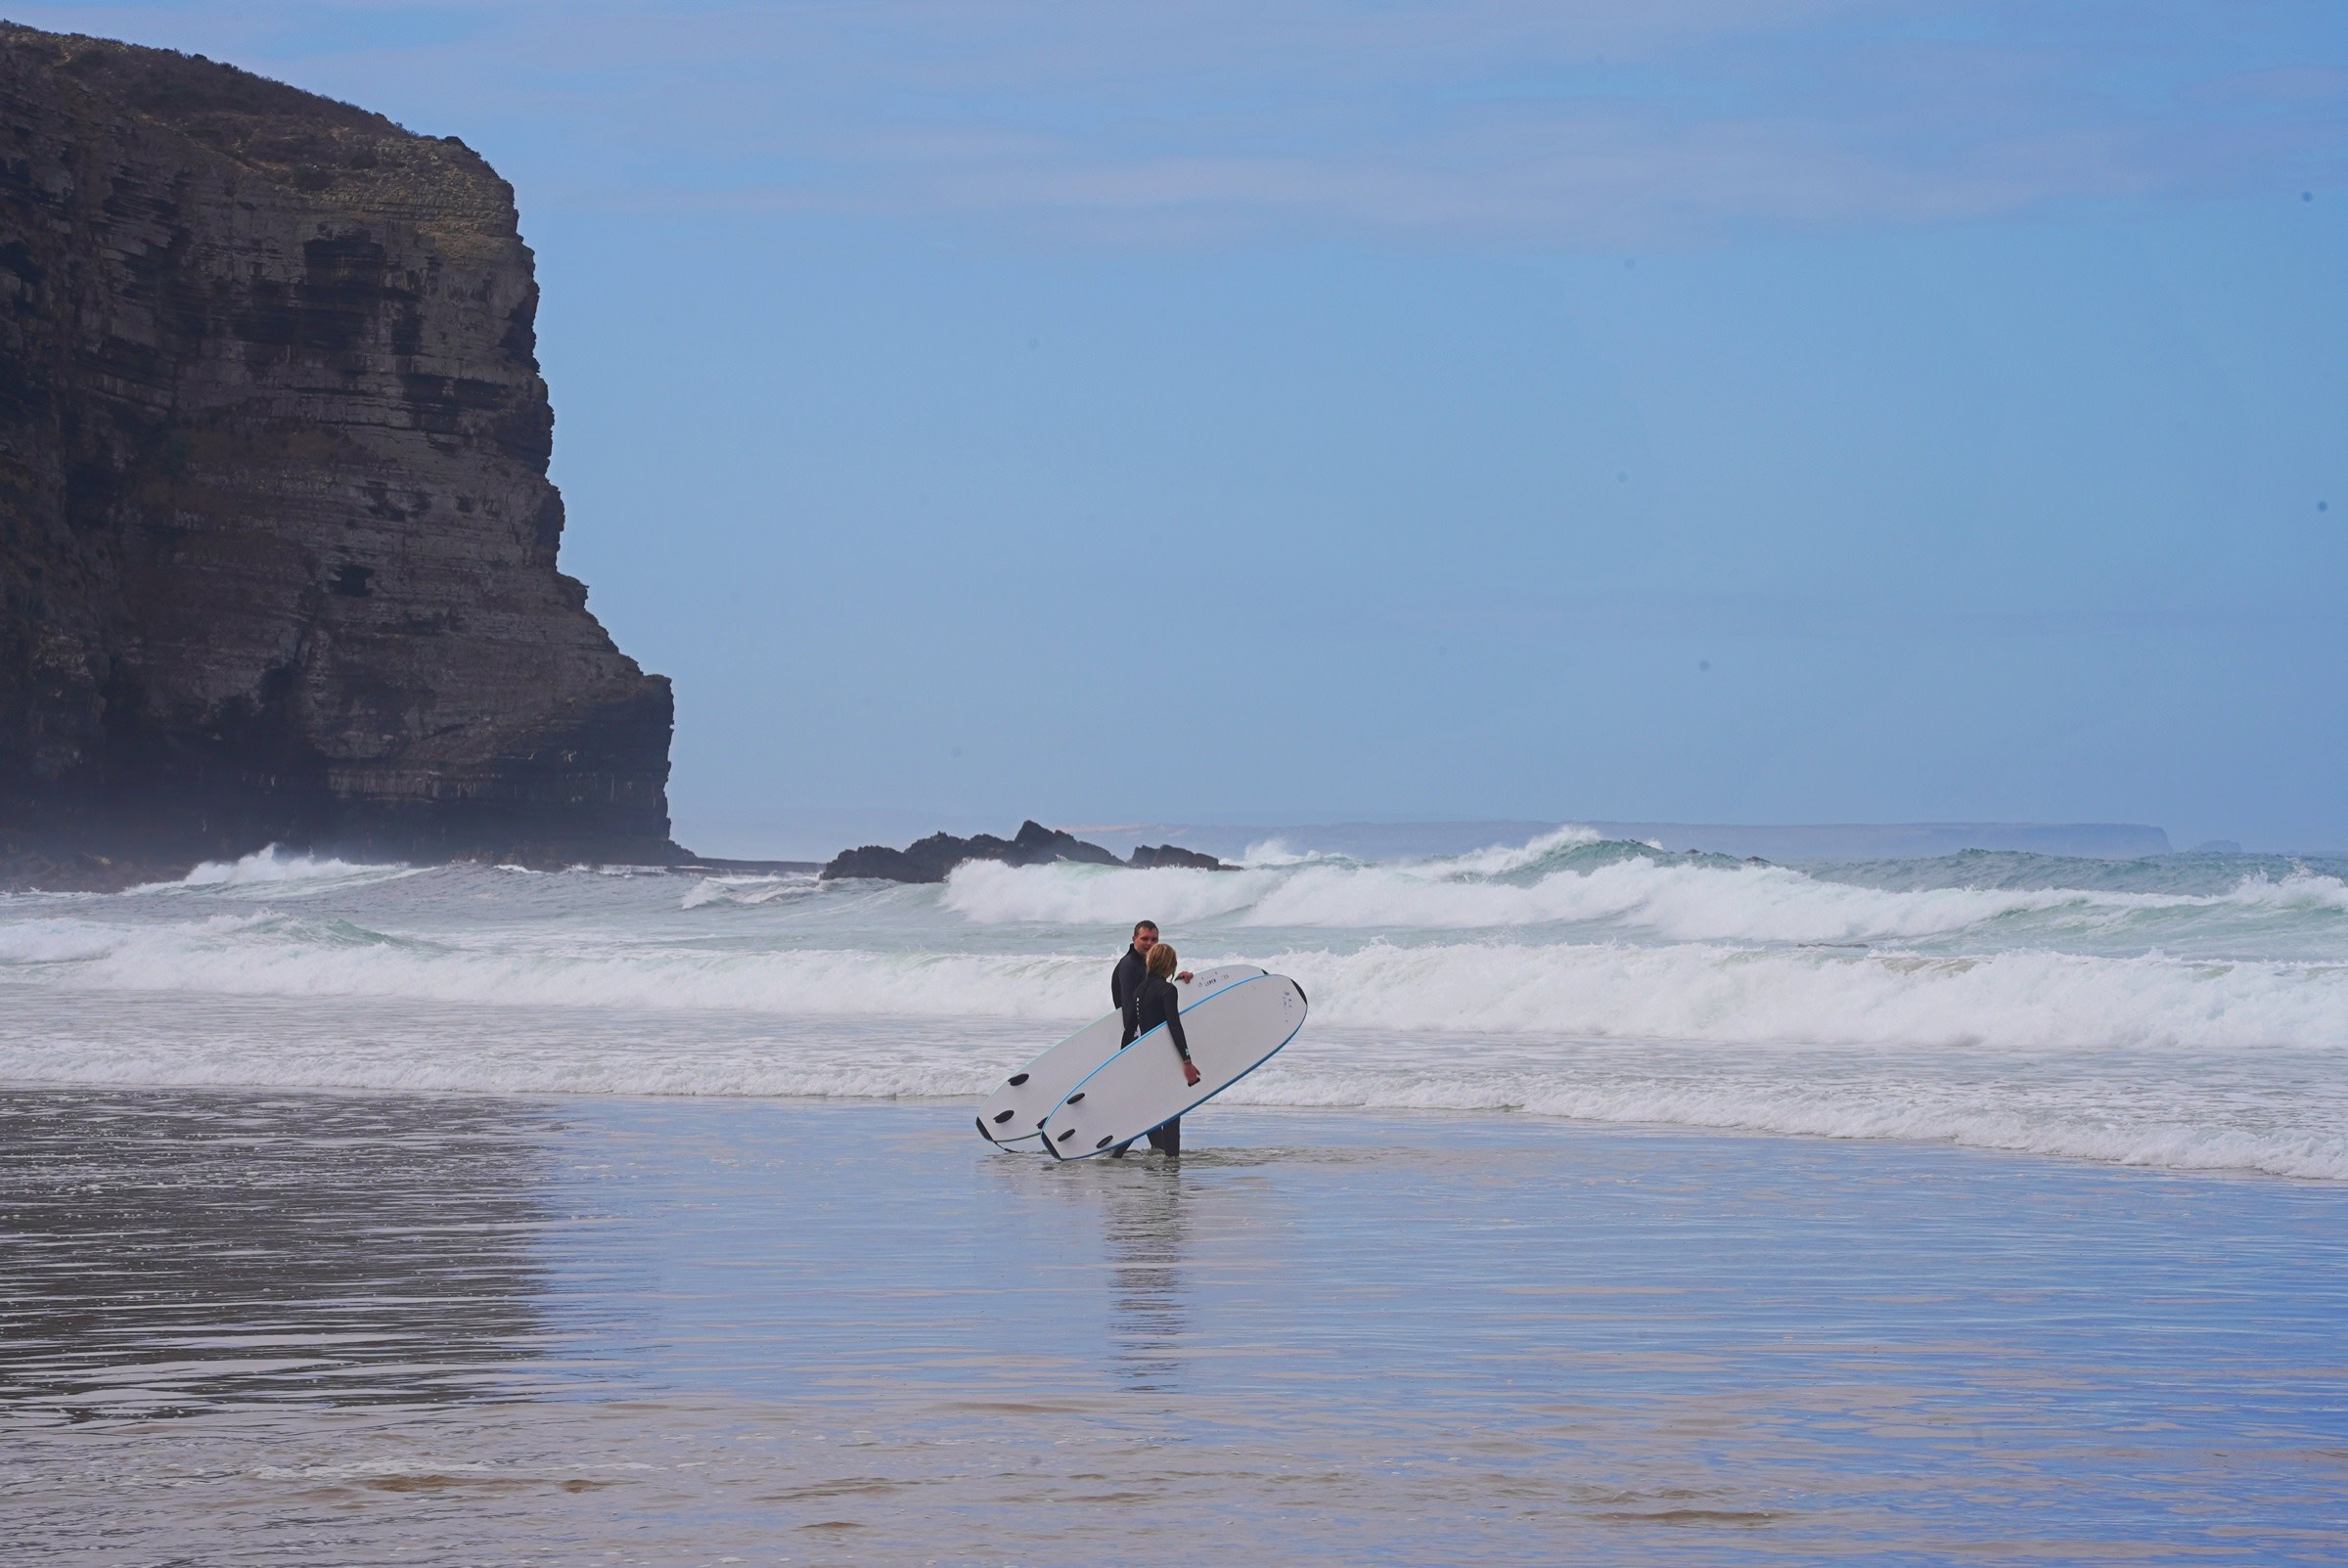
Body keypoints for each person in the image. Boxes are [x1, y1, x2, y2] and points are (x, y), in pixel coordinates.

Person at [1122, 941, 1202, 1155]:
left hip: (1145, 1057)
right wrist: (1187, 1061)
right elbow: (1174, 1025)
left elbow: (1130, 1028)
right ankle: (1172, 1160)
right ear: (1170, 964)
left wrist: (1123, 1059)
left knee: (1146, 1110)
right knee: (1172, 1111)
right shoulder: (1168, 990)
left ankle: (1116, 1155)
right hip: (1165, 1057)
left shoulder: (1139, 990)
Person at [1111, 919, 1190, 1046]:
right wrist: (1136, 1041)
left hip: (1146, 1030)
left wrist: (1177, 980)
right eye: (1145, 939)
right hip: (1138, 1035)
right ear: (1134, 938)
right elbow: (1129, 1006)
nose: (1150, 943)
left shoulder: (1146, 963)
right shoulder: (1129, 965)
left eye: (1154, 940)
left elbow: (1151, 992)